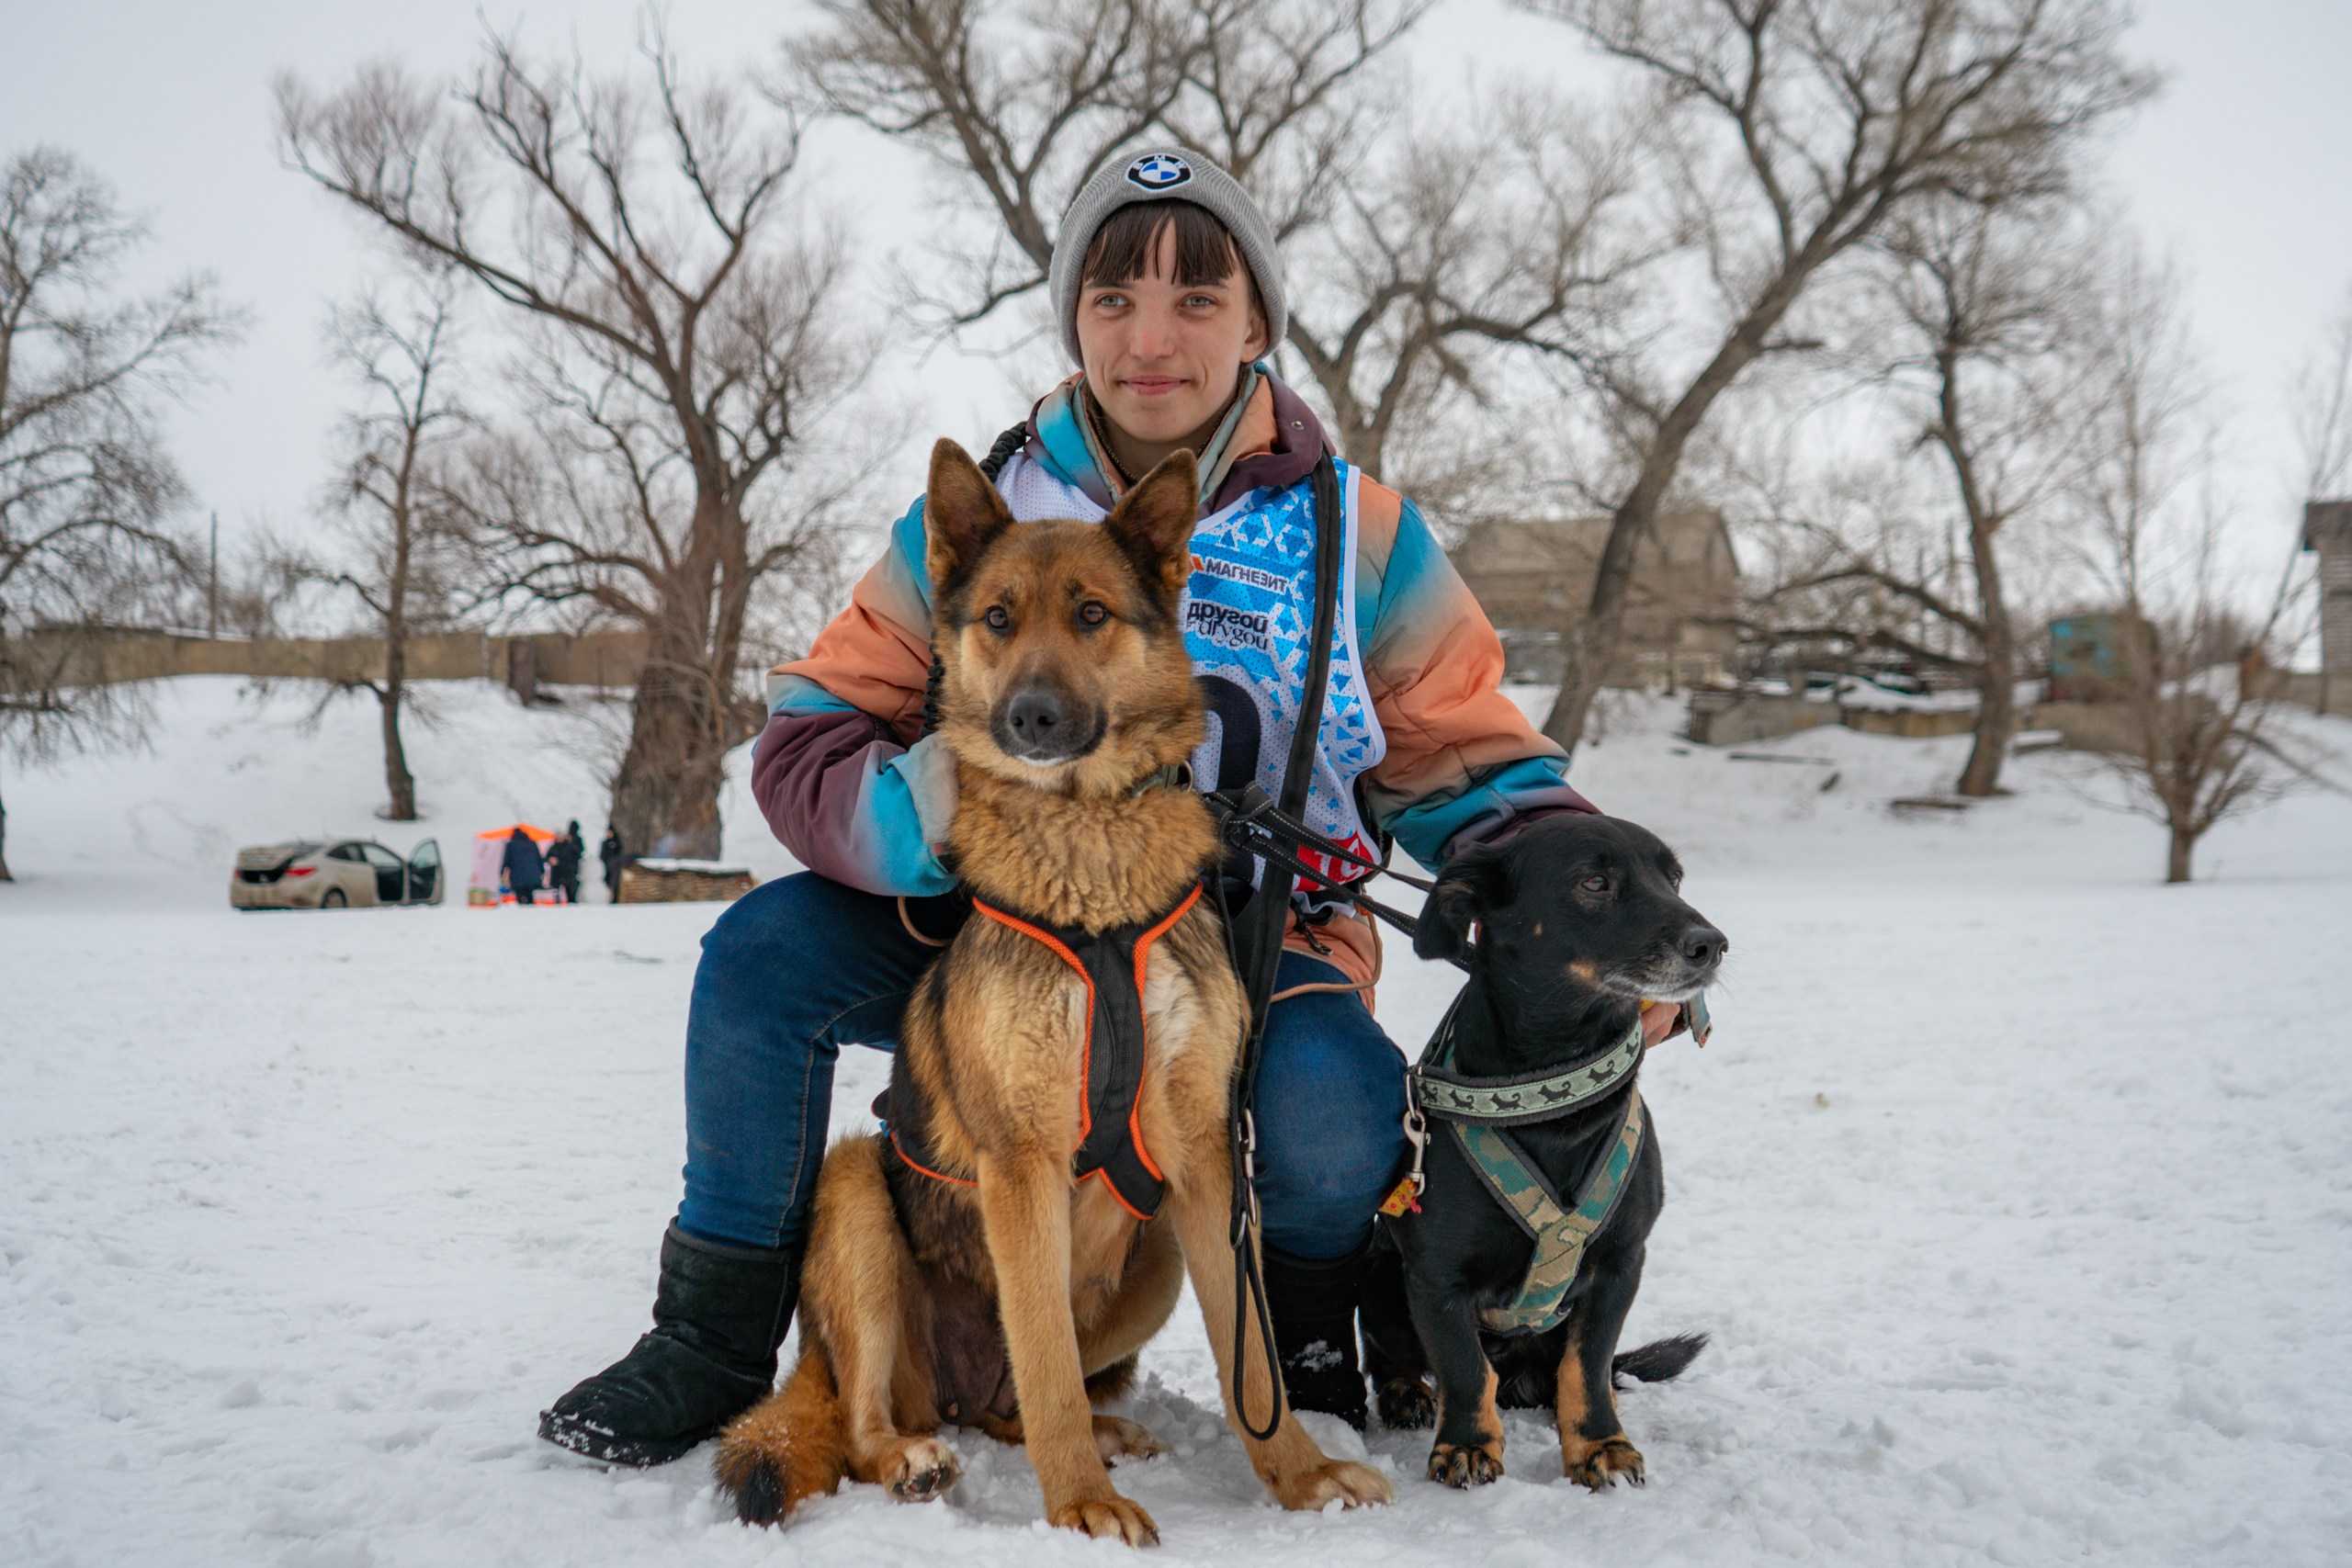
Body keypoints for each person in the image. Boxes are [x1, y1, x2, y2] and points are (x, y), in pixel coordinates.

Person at [538, 146, 1676, 1465]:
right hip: (999, 924)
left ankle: (1307, 1363)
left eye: (1199, 298)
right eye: (1114, 295)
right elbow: (810, 733)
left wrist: (1611, 915)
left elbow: (1474, 760)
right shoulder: (979, 511)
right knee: (758, 958)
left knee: (1335, 1112)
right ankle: (713, 1340)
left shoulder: (1359, 532)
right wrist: (939, 831)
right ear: (1073, 317)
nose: (1153, 336)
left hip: (1261, 936)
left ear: (1256, 324)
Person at [502, 827, 545, 908]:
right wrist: (542, 871)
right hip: (532, 874)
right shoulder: (532, 843)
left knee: (520, 895)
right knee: (529, 894)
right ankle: (531, 909)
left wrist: (502, 872)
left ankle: (522, 912)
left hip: (517, 875)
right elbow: (539, 858)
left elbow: (506, 860)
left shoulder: (511, 844)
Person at [549, 821, 586, 906]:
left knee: (571, 892)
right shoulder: (554, 847)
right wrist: (550, 859)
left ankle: (571, 904)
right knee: (558, 891)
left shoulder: (569, 845)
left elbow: (577, 854)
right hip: (558, 873)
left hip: (569, 872)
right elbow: (548, 856)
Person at [599, 826, 626, 902]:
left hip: (615, 867)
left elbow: (619, 853)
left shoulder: (617, 842)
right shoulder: (605, 843)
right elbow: (602, 855)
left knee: (615, 884)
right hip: (606, 867)